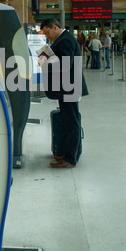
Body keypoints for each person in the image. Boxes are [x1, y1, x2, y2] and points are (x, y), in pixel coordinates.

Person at [40, 18, 88, 169]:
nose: (47, 36)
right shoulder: (63, 39)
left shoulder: (65, 40)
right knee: (68, 121)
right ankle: (68, 154)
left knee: (71, 123)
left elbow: (66, 65)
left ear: (54, 27)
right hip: (66, 88)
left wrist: (45, 60)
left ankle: (71, 159)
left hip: (69, 89)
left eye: (48, 32)